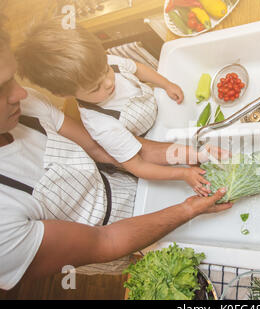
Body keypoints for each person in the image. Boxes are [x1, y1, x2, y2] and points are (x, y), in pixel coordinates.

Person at [0, 18, 233, 291]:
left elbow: (106, 151)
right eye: (0, 88)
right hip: (111, 234)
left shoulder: (25, 105)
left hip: (124, 183)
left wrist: (190, 154)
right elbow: (105, 241)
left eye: (11, 79)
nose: (21, 93)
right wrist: (186, 208)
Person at [15, 19, 224, 197]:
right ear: (64, 94)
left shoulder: (105, 62)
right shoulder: (102, 125)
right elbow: (139, 166)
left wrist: (165, 84)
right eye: (96, 87)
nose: (108, 82)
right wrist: (183, 174)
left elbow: (137, 69)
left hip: (162, 107)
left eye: (106, 70)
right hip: (153, 139)